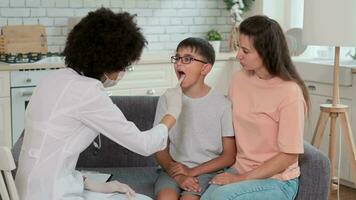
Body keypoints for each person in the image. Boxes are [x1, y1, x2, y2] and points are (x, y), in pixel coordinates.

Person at [15, 8, 183, 200]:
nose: (122, 72)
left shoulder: (52, 78)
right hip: (51, 194)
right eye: (124, 66)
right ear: (108, 61)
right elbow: (144, 145)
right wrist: (172, 113)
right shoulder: (88, 92)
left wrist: (98, 186)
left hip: (27, 190)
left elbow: (49, 154)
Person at [201, 15, 310, 200]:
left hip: (277, 180)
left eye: (245, 50)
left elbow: (289, 156)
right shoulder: (239, 79)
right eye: (239, 48)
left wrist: (239, 179)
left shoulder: (290, 93)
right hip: (240, 168)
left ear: (266, 52)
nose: (238, 56)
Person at [153, 37, 237, 200]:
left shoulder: (223, 105)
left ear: (205, 68)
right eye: (177, 58)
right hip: (173, 170)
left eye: (187, 59)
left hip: (206, 172)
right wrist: (177, 174)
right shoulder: (167, 99)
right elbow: (158, 147)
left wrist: (191, 172)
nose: (178, 64)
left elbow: (229, 156)